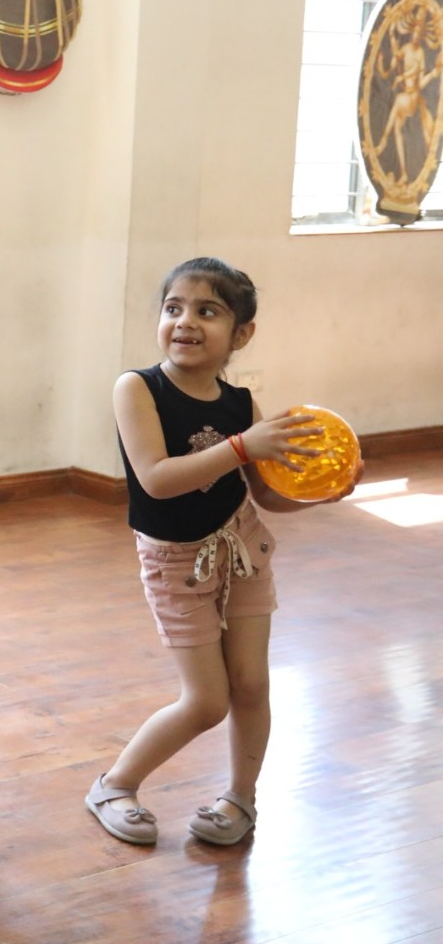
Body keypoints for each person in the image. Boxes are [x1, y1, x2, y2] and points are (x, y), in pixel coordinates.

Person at [86, 258, 349, 847]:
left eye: (207, 311)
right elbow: (157, 479)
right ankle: (114, 785)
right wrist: (242, 446)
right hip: (176, 564)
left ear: (241, 334)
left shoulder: (241, 404)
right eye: (173, 308)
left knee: (251, 685)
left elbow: (265, 496)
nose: (185, 321)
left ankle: (240, 799)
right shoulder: (138, 389)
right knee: (207, 702)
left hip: (244, 547)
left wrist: (320, 493)